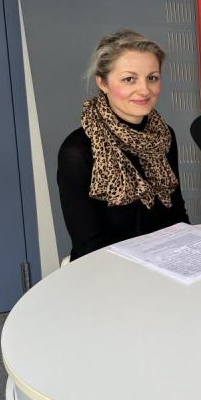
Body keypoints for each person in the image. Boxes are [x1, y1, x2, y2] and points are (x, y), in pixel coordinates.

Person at [58, 30, 189, 260]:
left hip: (164, 264)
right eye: (129, 79)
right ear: (103, 82)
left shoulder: (163, 136)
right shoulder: (78, 150)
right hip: (104, 269)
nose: (145, 90)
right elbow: (90, 245)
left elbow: (176, 216)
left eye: (152, 78)